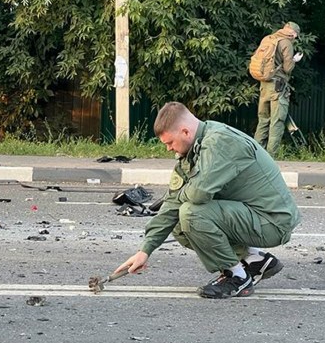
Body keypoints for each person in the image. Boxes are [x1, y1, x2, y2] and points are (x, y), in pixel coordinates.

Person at [115, 102, 301, 299]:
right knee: (178, 220)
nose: (169, 149)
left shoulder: (219, 143)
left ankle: (237, 277)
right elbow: (172, 202)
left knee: (191, 213)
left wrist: (180, 196)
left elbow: (197, 194)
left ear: (185, 132)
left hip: (272, 221)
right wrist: (145, 250)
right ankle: (254, 259)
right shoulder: (194, 148)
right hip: (252, 215)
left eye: (170, 143)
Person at [254, 21, 304, 156]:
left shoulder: (269, 39)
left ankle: (256, 155)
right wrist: (294, 60)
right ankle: (271, 156)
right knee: (277, 121)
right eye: (295, 36)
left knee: (263, 120)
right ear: (293, 33)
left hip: (264, 84)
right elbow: (287, 68)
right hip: (278, 86)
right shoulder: (286, 43)